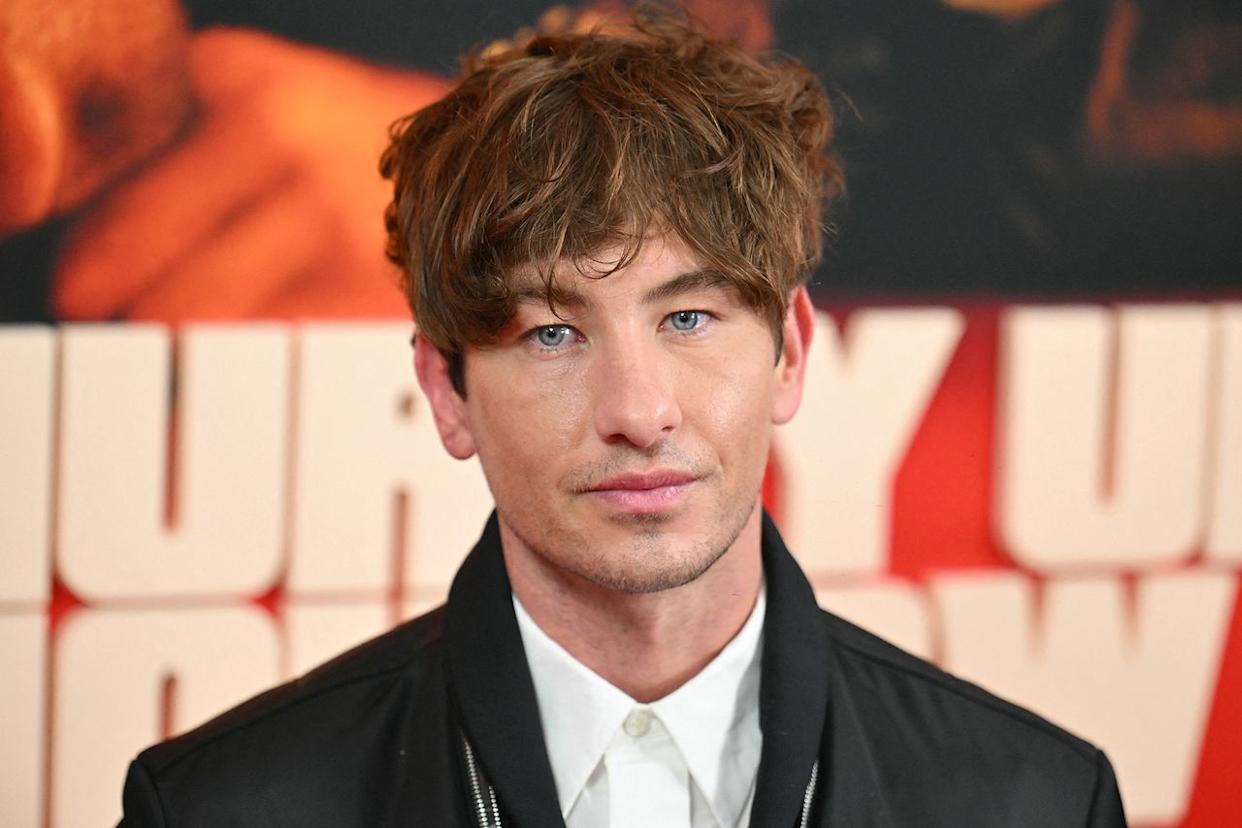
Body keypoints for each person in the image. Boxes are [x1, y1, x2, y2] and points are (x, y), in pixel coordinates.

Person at [118, 10, 1127, 827]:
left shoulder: (1035, 802)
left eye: (688, 318)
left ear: (789, 352)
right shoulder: (218, 811)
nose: (639, 413)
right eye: (553, 334)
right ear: (447, 391)